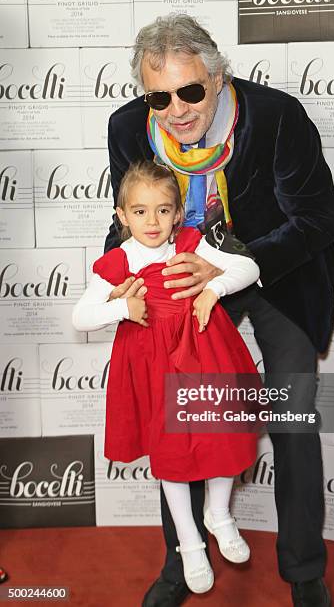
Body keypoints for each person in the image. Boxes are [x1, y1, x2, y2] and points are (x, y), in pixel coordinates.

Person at [104, 14, 334, 607]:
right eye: (159, 96)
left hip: (277, 274)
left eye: (191, 91)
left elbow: (318, 220)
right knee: (178, 416)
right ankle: (181, 561)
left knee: (290, 417)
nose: (177, 110)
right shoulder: (130, 127)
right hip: (182, 281)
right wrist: (123, 279)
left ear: (218, 78)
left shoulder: (275, 116)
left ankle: (303, 568)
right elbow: (129, 217)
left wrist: (236, 262)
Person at [72, 160, 262, 594]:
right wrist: (123, 308)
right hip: (154, 368)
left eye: (162, 210)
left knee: (223, 434)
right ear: (122, 216)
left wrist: (213, 288)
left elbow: (248, 268)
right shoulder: (119, 262)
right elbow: (81, 316)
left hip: (204, 354)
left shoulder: (191, 246)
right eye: (139, 211)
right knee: (172, 456)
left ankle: (220, 514)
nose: (152, 221)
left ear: (179, 213)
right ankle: (190, 544)